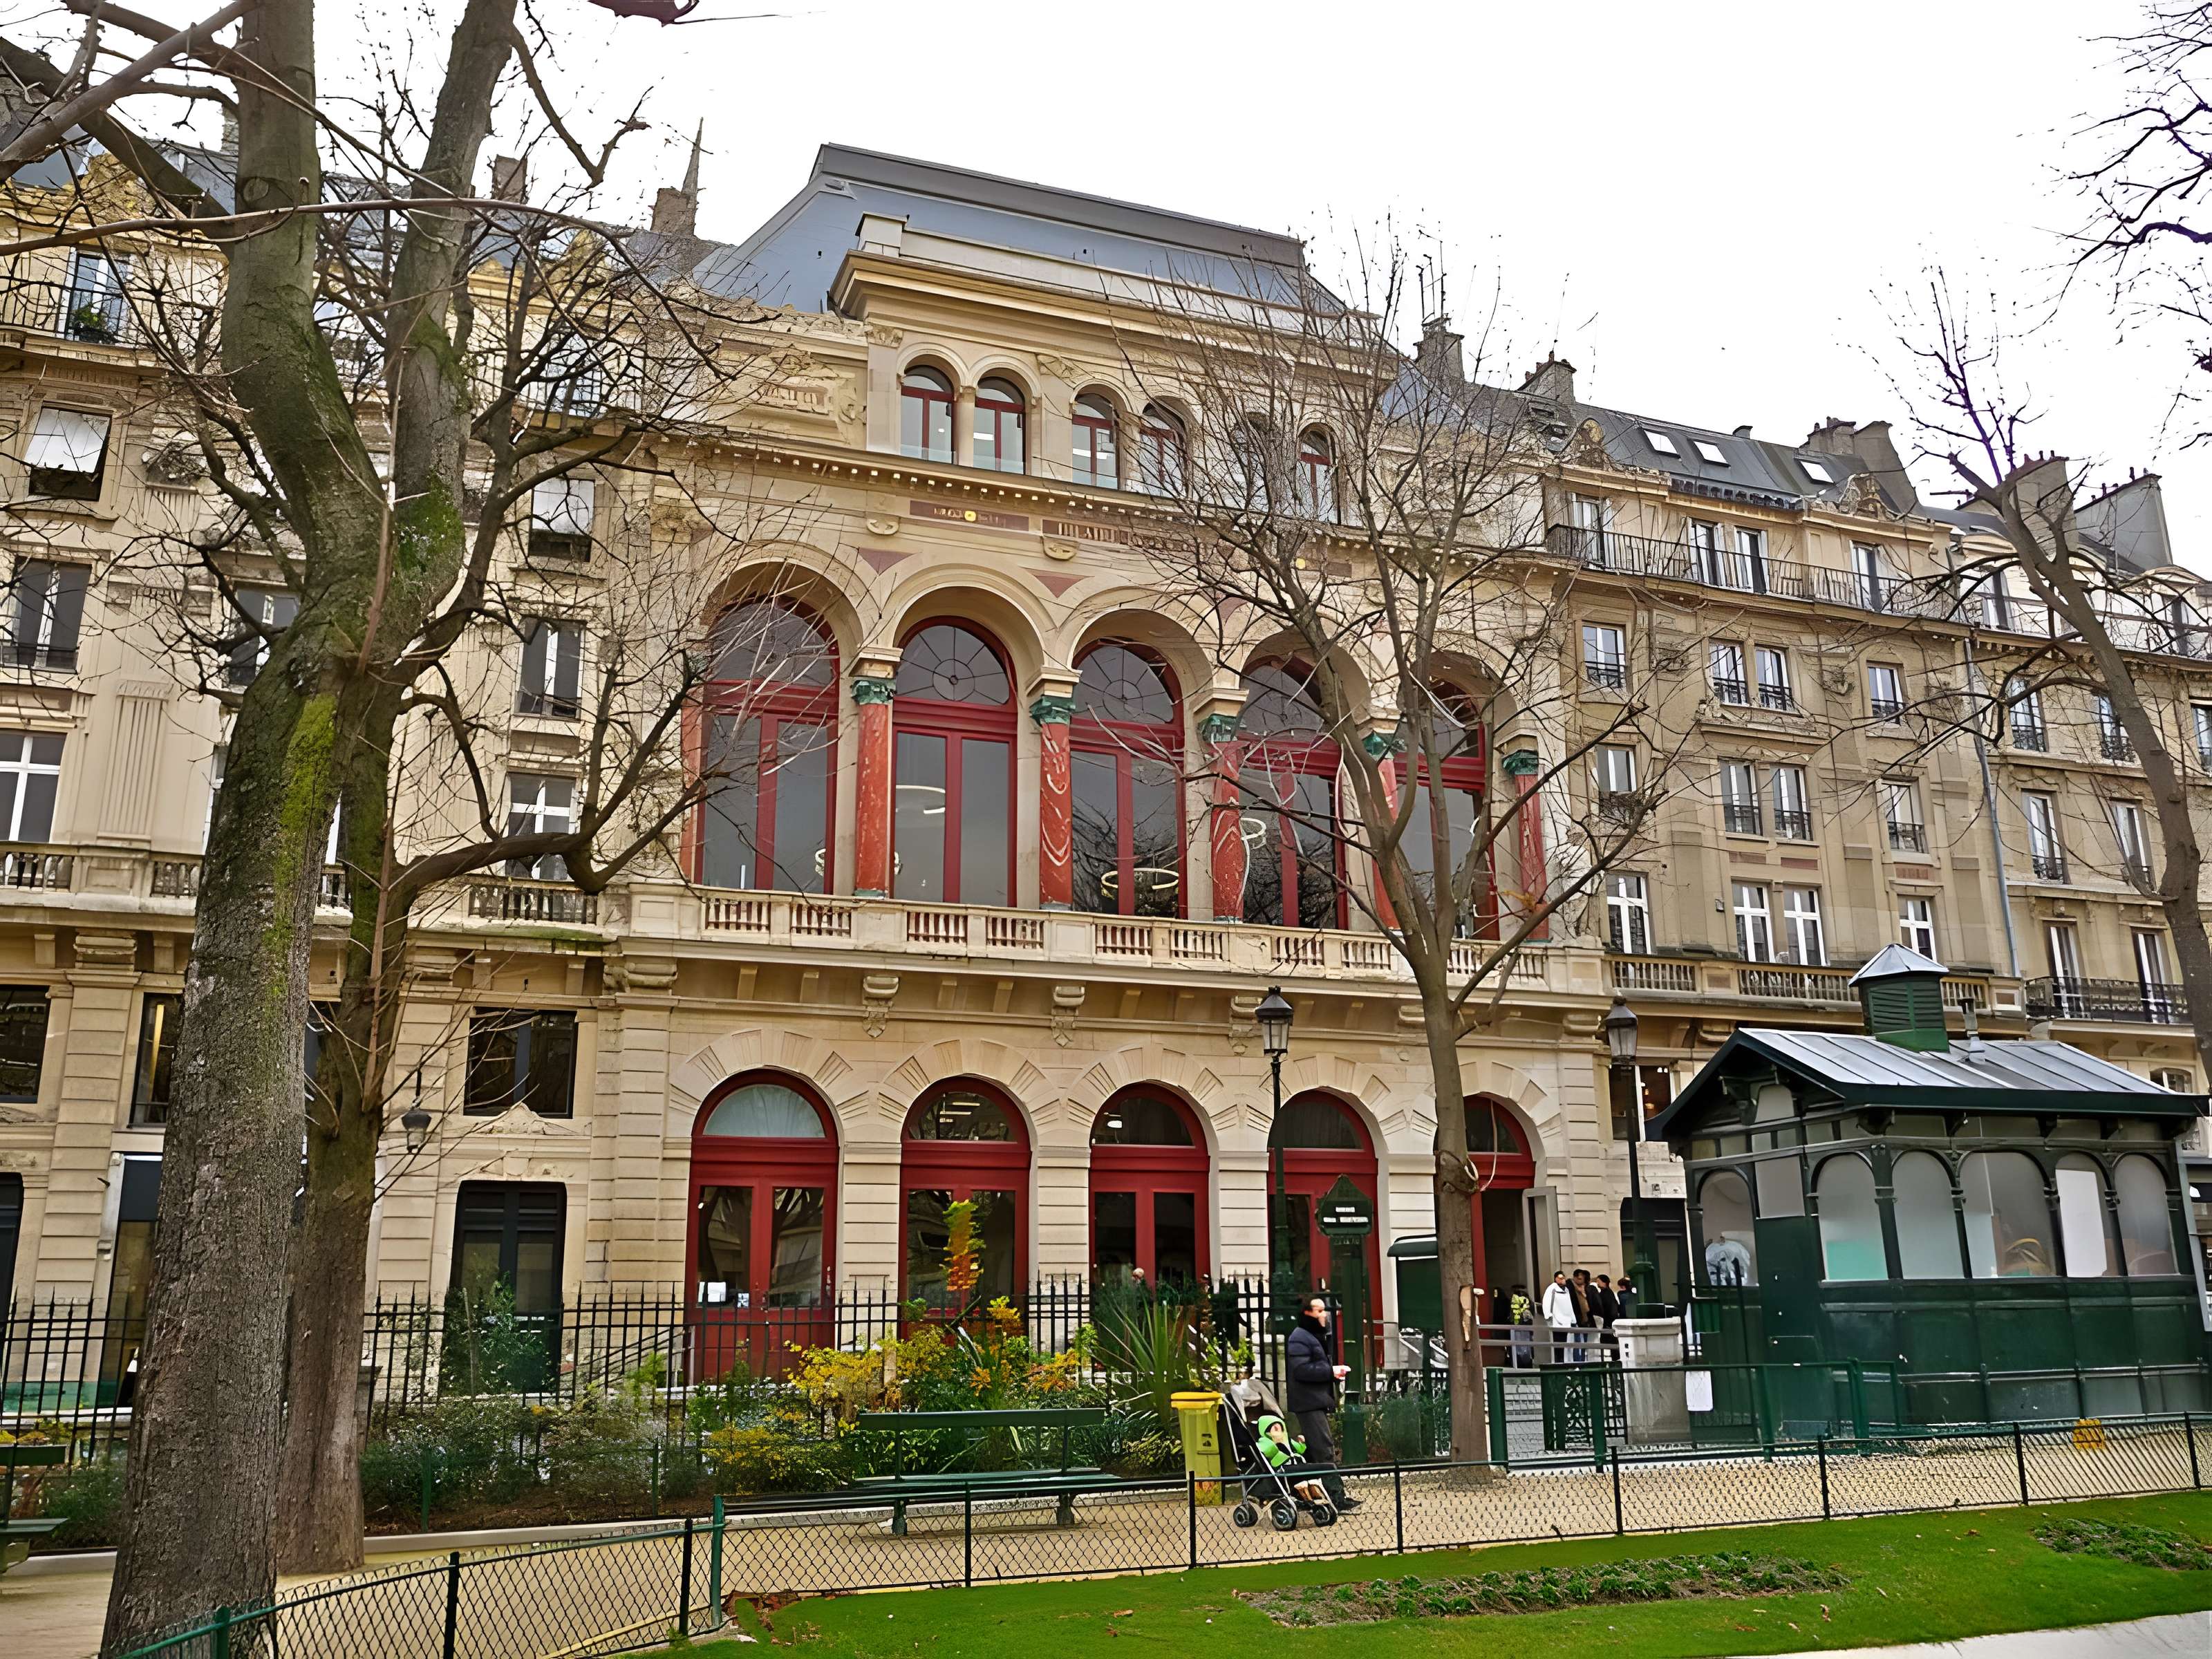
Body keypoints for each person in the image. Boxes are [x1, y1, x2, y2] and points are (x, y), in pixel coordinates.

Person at [1284, 1295, 1360, 1510]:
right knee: (1324, 1450)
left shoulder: (1310, 1336)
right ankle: (1337, 1498)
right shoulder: (1300, 1337)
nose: (1324, 1314)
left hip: (1313, 1401)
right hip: (1309, 1403)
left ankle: (1298, 1493)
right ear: (1307, 1313)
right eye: (1319, 1311)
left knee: (1312, 1452)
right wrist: (1330, 1371)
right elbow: (1301, 1370)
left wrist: (1331, 1373)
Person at [1255, 1414, 1332, 1507]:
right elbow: (1266, 1450)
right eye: (1274, 1428)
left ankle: (1321, 1497)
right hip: (1284, 1467)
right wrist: (1273, 1443)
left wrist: (1302, 1443)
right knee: (1325, 1469)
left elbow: (1300, 1449)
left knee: (1322, 1472)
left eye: (1280, 1428)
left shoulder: (1288, 1440)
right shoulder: (1265, 1442)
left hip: (1297, 1464)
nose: (1278, 1430)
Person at [1541, 1269, 1576, 1365]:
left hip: (1566, 1321)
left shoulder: (1566, 1290)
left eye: (1563, 1278)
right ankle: (1558, 1363)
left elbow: (1569, 1305)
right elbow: (1547, 1302)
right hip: (1556, 1321)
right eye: (1560, 1278)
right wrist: (1548, 1316)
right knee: (1557, 1345)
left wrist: (1573, 1319)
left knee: (1565, 1345)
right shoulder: (1552, 1289)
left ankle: (1564, 1363)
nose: (1562, 1280)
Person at [1570, 1268, 1597, 1363]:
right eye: (1580, 1279)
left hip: (1585, 1318)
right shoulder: (1572, 1288)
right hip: (1577, 1318)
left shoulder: (1586, 1289)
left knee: (1584, 1342)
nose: (1582, 1281)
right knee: (1577, 1341)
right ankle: (1578, 1361)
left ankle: (1582, 1360)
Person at [1507, 1284, 1535, 1369]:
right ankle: (1527, 1363)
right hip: (1527, 1328)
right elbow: (1532, 1314)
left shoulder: (1513, 1300)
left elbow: (1510, 1315)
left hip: (1517, 1327)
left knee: (1517, 1347)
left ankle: (1518, 1364)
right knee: (1526, 1347)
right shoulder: (1529, 1301)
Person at [1593, 1273, 1622, 1351]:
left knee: (1610, 1344)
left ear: (1604, 1282)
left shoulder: (1605, 1294)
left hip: (1608, 1322)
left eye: (1598, 1281)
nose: (1597, 1283)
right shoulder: (1609, 1292)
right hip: (1609, 1322)